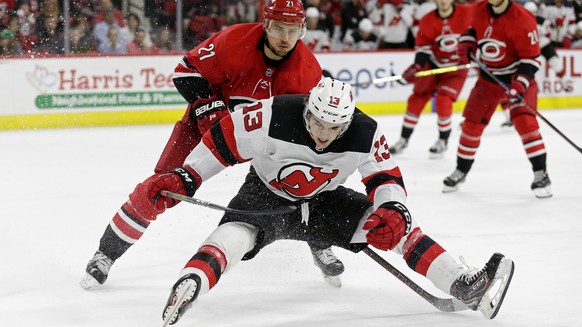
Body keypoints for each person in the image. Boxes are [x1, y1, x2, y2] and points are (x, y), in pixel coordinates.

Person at [146, 78, 515, 325]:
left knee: (391, 227)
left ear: (348, 120)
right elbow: (220, 142)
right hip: (264, 196)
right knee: (235, 235)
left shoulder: (366, 132)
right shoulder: (272, 114)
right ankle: (191, 281)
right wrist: (186, 176)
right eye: (317, 122)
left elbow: (385, 178)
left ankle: (462, 283)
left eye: (334, 128)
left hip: (324, 204)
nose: (324, 134)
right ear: (307, 108)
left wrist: (393, 208)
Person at [80, 0, 344, 291]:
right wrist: (209, 107)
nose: (285, 38)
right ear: (265, 24)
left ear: (303, 30)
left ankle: (320, 243)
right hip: (204, 131)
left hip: (264, 139)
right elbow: (185, 72)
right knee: (159, 188)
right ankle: (105, 254)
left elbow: (310, 123)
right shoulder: (234, 40)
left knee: (307, 182)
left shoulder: (307, 71)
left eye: (293, 30)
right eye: (278, 28)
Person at [443, 0, 552, 198]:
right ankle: (461, 170)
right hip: (488, 80)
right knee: (471, 126)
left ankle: (541, 174)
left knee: (525, 122)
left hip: (516, 78)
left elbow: (532, 59)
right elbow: (474, 30)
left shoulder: (523, 19)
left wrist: (519, 84)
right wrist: (467, 40)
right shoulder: (478, 8)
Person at [390, 0, 473, 158]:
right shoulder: (427, 20)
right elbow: (423, 49)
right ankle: (403, 140)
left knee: (443, 100)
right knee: (416, 100)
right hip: (434, 65)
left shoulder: (468, 12)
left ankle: (442, 141)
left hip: (457, 68)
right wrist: (418, 67)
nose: (443, 1)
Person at [499, 0, 566, 128]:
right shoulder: (517, 20)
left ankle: (564, 84)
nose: (532, 15)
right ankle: (509, 115)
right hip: (526, 48)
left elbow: (549, 31)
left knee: (556, 63)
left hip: (541, 44)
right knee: (508, 80)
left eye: (534, 13)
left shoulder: (542, 21)